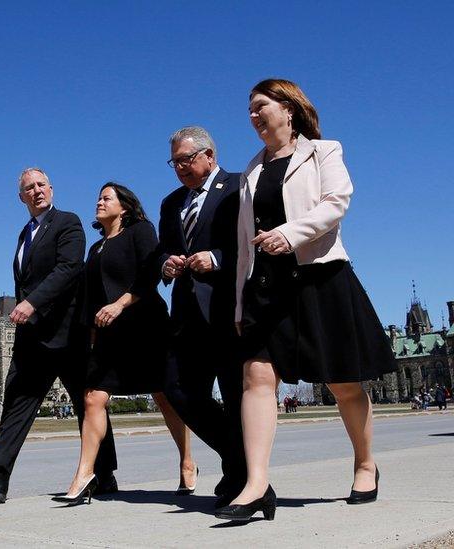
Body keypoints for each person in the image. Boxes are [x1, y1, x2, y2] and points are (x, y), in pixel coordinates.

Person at [216, 79, 397, 522]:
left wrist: (289, 233)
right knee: (256, 377)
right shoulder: (251, 172)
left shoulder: (324, 151)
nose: (253, 116)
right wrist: (240, 302)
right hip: (266, 286)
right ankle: (257, 484)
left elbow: (337, 202)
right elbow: (243, 245)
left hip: (320, 279)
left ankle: (365, 463)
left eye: (261, 106)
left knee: (343, 383)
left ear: (289, 109)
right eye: (249, 110)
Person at [0, 167, 118, 503]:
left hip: (67, 333)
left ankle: (104, 474)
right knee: (16, 402)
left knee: (86, 404)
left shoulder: (68, 223)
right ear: (21, 197)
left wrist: (31, 303)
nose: (37, 191)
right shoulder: (23, 234)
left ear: (52, 189)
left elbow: (68, 269)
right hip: (33, 337)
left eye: (42, 185)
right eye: (30, 187)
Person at [54, 182, 186, 504]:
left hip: (145, 326)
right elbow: (90, 296)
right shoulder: (96, 249)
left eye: (106, 197)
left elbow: (150, 275)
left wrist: (120, 304)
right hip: (109, 335)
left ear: (123, 206)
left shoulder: (140, 230)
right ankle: (84, 474)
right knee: (92, 399)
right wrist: (91, 335)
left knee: (165, 397)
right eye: (98, 196)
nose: (99, 202)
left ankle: (187, 462)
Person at [158, 126, 246, 507]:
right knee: (177, 388)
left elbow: (251, 244)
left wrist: (218, 258)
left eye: (185, 160)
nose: (179, 168)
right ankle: (238, 458)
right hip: (186, 313)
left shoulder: (240, 186)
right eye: (174, 162)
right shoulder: (171, 203)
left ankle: (241, 480)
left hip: (228, 310)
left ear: (209, 155)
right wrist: (167, 264)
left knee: (234, 394)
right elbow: (162, 251)